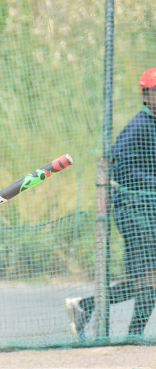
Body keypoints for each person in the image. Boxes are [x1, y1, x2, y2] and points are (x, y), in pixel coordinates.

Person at [66, 67, 156, 339]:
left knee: (148, 280)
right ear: (145, 94)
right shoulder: (139, 127)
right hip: (134, 211)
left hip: (148, 211)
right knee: (150, 279)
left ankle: (85, 307)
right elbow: (122, 170)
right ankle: (130, 336)